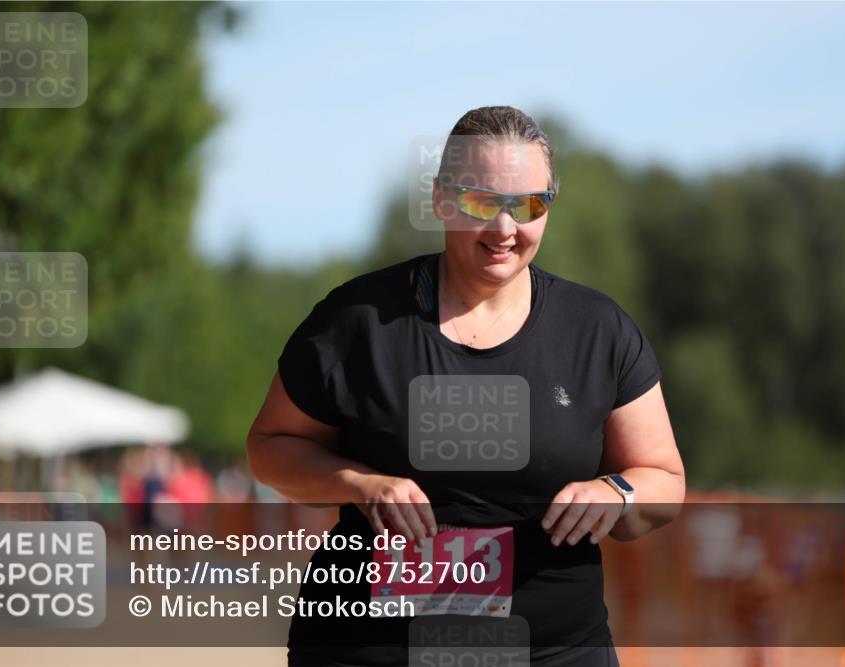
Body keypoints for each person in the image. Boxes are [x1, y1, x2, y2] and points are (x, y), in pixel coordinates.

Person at [247, 106, 685, 666]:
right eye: (482, 201)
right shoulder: (358, 320)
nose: (504, 229)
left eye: (528, 205)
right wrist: (360, 483)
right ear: (440, 199)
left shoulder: (597, 330)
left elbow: (665, 481)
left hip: (552, 650)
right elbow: (269, 449)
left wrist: (615, 494)